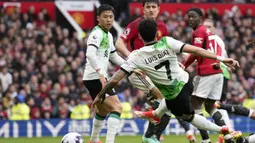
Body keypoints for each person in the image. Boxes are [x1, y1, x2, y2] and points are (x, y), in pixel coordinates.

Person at [93, 19, 240, 143]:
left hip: (175, 94)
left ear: (139, 36)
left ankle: (222, 129)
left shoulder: (136, 56)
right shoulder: (166, 41)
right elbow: (196, 50)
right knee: (168, 103)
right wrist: (221, 58)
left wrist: (100, 95)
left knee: (189, 117)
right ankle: (155, 114)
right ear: (157, 32)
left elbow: (115, 79)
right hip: (187, 80)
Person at [115, 0, 194, 142]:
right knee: (165, 100)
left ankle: (153, 135)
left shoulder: (162, 27)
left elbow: (165, 49)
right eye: (148, 7)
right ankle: (151, 135)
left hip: (156, 72)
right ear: (143, 9)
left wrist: (176, 63)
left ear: (158, 9)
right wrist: (131, 59)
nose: (151, 10)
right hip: (140, 72)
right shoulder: (135, 25)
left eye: (154, 7)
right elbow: (119, 43)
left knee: (168, 102)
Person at [183, 8, 231, 143]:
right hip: (219, 73)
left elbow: (196, 51)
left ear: (200, 18)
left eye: (193, 17)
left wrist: (185, 64)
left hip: (206, 72)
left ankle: (205, 140)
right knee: (210, 107)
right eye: (189, 17)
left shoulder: (199, 31)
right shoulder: (213, 35)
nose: (190, 19)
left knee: (194, 106)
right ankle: (228, 136)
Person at [82, 4, 125, 143]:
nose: (108, 20)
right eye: (105, 17)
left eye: (111, 17)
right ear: (98, 18)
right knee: (117, 107)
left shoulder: (108, 34)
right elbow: (90, 54)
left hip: (95, 78)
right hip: (95, 77)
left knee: (102, 111)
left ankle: (94, 140)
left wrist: (131, 66)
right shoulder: (97, 33)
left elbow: (114, 56)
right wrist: (100, 73)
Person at [203, 19, 232, 143]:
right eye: (205, 27)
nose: (207, 29)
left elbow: (219, 58)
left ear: (214, 28)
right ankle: (226, 134)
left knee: (217, 105)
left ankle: (228, 133)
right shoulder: (205, 41)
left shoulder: (216, 40)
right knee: (212, 105)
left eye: (209, 26)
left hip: (219, 73)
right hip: (212, 74)